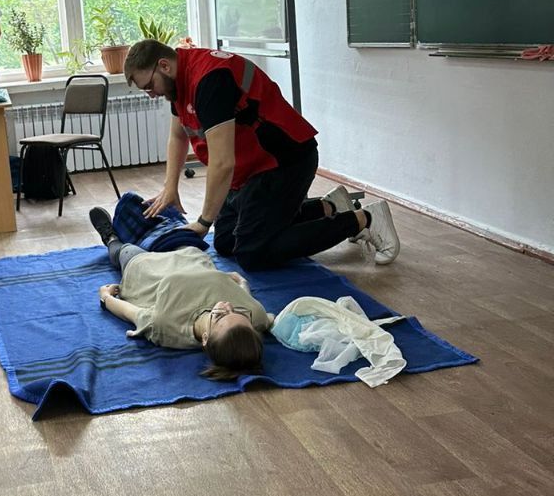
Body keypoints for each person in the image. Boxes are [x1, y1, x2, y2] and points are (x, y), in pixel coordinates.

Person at [123, 40, 400, 270]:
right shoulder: (179, 80)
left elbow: (222, 163)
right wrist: (170, 188)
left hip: (284, 161)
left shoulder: (209, 80)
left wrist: (204, 222)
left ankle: (364, 219)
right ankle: (329, 206)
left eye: (149, 86)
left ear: (164, 65)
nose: (150, 94)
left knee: (252, 252)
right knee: (226, 242)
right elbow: (178, 135)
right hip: (252, 170)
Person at [88, 207, 272, 378]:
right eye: (238, 311)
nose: (227, 305)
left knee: (126, 249)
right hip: (190, 255)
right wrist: (242, 283)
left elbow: (131, 313)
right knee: (156, 217)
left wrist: (106, 297)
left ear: (205, 338)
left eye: (220, 315)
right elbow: (248, 301)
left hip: (146, 269)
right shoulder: (256, 316)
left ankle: (110, 237)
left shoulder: (167, 326)